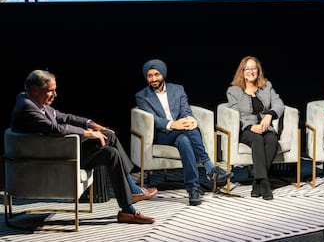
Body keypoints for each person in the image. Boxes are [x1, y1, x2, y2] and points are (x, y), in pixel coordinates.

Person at [10, 69, 157, 224]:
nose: (55, 94)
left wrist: (93, 125)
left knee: (109, 137)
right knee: (110, 153)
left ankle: (130, 201)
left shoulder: (33, 100)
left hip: (59, 153)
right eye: (50, 91)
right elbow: (55, 129)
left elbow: (63, 117)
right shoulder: (27, 107)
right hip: (53, 160)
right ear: (34, 90)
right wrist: (88, 133)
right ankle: (130, 201)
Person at [135, 59, 234, 206]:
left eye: (156, 74)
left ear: (163, 74)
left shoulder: (177, 89)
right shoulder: (142, 95)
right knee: (190, 132)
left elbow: (185, 110)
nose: (153, 79)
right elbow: (153, 119)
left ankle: (193, 189)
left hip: (181, 133)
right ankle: (210, 168)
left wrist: (190, 119)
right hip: (162, 134)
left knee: (185, 141)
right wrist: (173, 124)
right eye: (150, 76)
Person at [226, 56, 285, 200]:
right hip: (245, 130)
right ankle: (264, 182)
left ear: (258, 71)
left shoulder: (267, 86)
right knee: (257, 140)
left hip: (265, 127)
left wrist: (270, 115)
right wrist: (251, 127)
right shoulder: (234, 90)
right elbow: (234, 113)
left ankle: (256, 181)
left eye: (254, 68)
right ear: (242, 71)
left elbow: (279, 104)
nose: (251, 72)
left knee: (272, 140)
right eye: (247, 69)